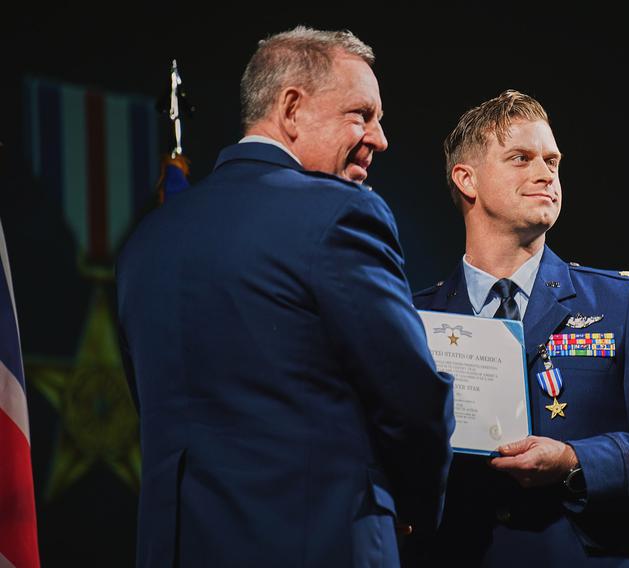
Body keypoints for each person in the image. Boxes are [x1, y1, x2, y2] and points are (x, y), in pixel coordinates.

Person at [116, 26, 454, 568]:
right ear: (292, 108)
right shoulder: (341, 214)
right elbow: (410, 400)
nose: (380, 137)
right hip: (317, 543)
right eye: (362, 114)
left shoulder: (145, 242)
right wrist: (413, 512)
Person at [407, 90, 629, 567]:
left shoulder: (622, 302)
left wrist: (575, 461)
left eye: (552, 160)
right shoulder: (416, 319)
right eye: (520, 158)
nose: (545, 173)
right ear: (466, 178)